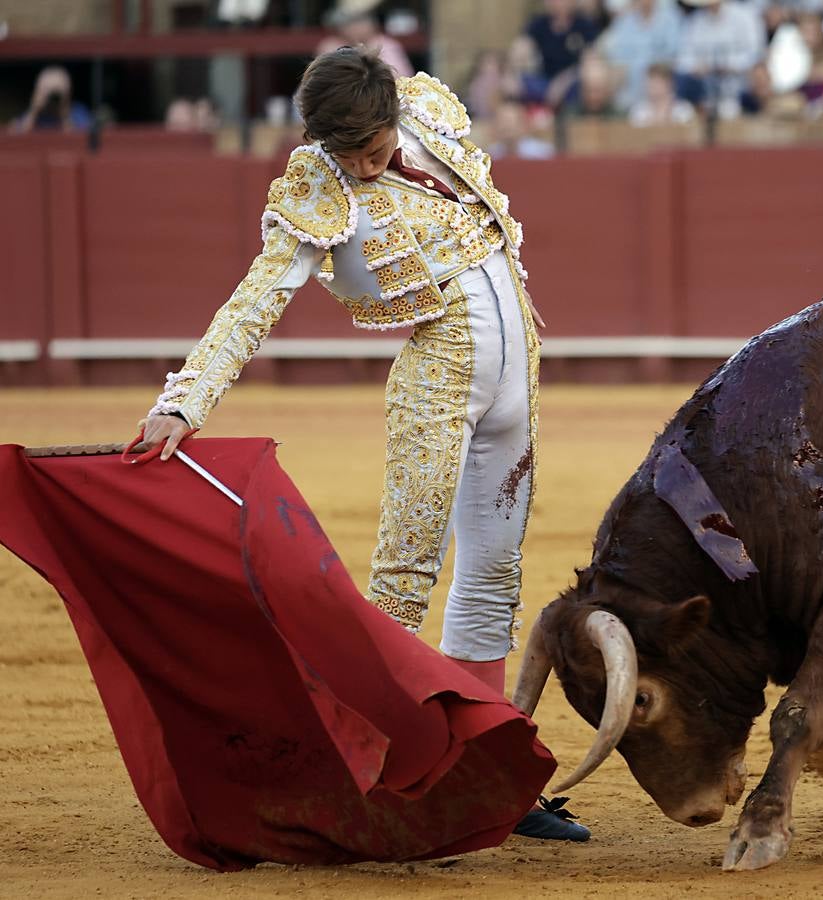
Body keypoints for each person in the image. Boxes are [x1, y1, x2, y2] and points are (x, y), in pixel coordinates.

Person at [131, 47, 584, 842]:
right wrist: (185, 399)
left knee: (492, 580)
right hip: (437, 385)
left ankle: (488, 779)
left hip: (517, 384)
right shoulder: (319, 183)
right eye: (349, 158)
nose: (365, 170)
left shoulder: (427, 113)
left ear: (391, 117)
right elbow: (257, 299)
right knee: (402, 582)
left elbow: (487, 232)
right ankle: (362, 772)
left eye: (373, 151)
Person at [316, 0, 414, 77]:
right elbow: (320, 82)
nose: (358, 26)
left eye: (364, 19)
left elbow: (403, 79)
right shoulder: (329, 46)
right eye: (352, 22)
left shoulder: (386, 44)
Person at [11, 66, 93, 133]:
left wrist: (65, 115)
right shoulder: (34, 116)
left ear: (68, 92)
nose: (53, 98)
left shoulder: (79, 113)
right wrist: (33, 111)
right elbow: (13, 137)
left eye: (57, 92)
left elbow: (82, 141)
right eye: (48, 91)